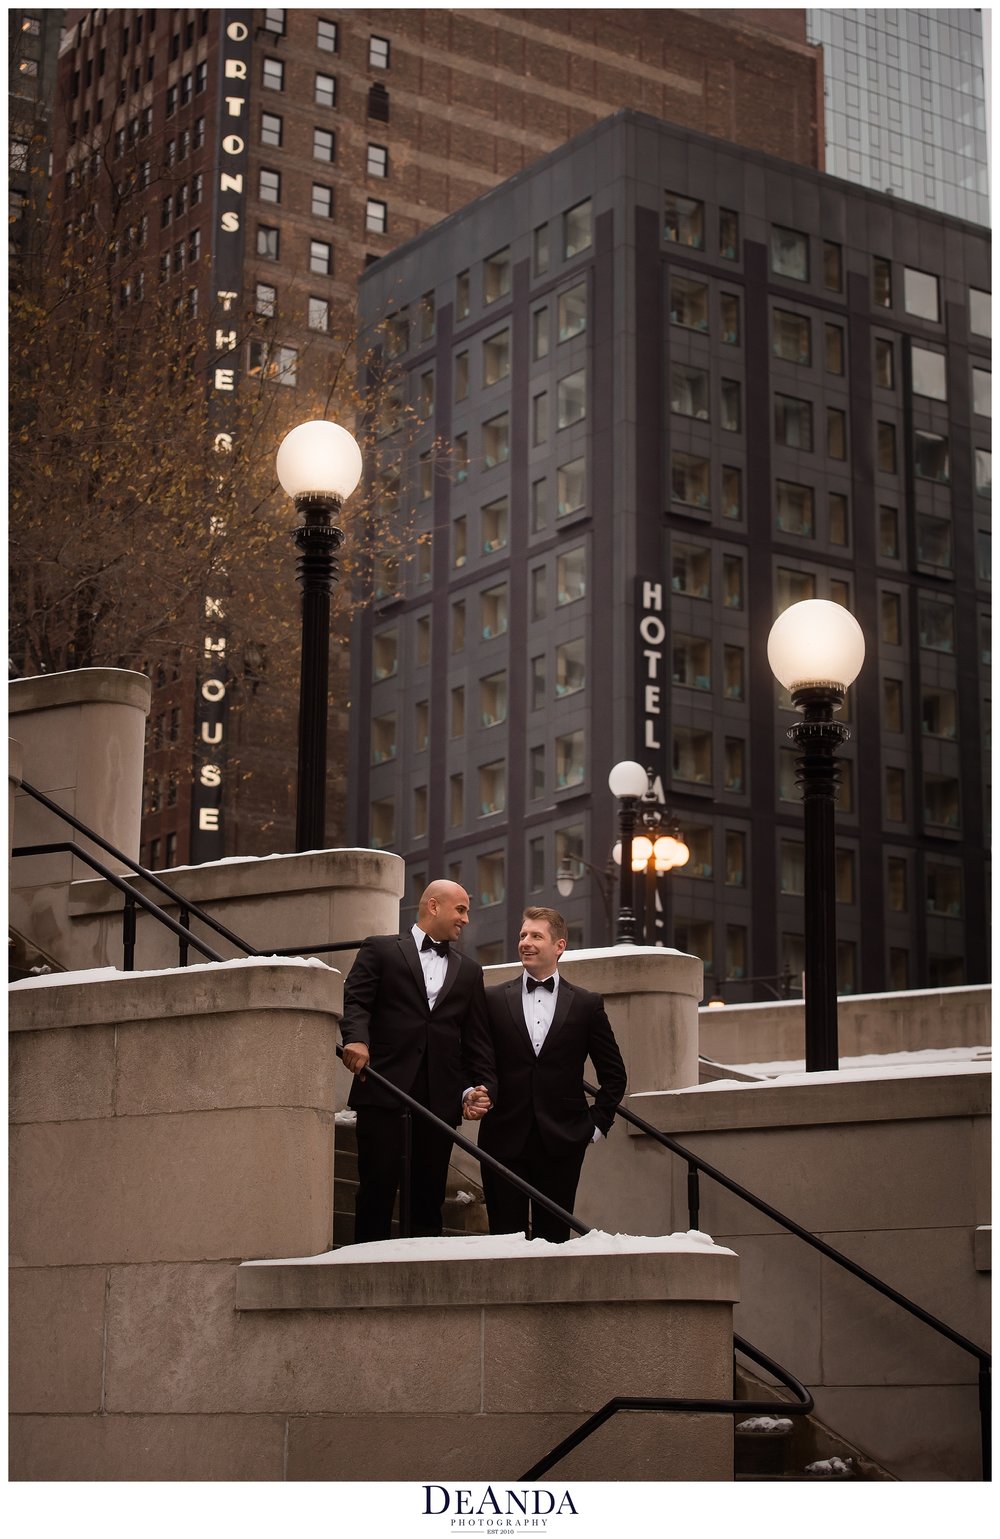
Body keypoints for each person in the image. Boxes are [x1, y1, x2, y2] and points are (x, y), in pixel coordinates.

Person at [340, 879, 497, 1243]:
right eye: (461, 909)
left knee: (428, 1198)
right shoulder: (380, 949)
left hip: (438, 1102)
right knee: (376, 1189)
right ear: (433, 906)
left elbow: (476, 1040)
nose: (466, 919)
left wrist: (480, 1086)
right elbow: (357, 1000)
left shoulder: (470, 971)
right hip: (383, 1089)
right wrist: (357, 1040)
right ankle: (366, 1269)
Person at [477, 906, 627, 1243]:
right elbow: (477, 1060)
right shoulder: (492, 999)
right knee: (502, 1241)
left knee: (555, 1241)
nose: (525, 943)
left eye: (536, 936)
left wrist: (595, 1126)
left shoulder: (587, 1004)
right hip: (502, 1138)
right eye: (522, 935)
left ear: (559, 945)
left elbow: (614, 1074)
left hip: (563, 1141)